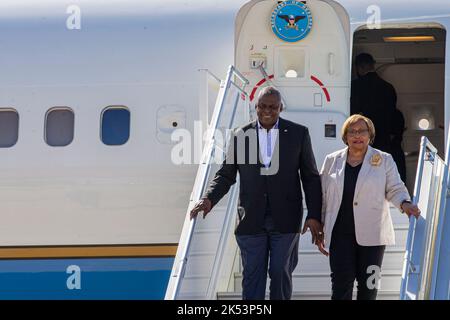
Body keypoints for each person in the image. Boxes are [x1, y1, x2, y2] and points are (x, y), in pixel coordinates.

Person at [190, 86, 323, 300]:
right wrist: (208, 199)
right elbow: (226, 174)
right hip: (250, 219)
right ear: (256, 107)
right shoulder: (240, 135)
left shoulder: (298, 133)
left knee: (280, 272)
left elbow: (310, 177)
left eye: (273, 107)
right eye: (263, 106)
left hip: (286, 219)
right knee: (253, 277)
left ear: (281, 108)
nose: (267, 111)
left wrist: (314, 215)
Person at [317, 114, 420, 300]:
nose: (357, 135)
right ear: (345, 136)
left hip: (374, 238)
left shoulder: (384, 159)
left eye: (362, 131)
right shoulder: (332, 160)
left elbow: (395, 188)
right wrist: (319, 226)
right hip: (340, 236)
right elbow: (322, 196)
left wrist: (405, 204)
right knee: (340, 288)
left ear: (370, 135)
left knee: (370, 289)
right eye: (352, 131)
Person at [351, 53, 397, 153]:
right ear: (373, 65)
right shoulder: (388, 87)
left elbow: (353, 114)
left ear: (360, 67)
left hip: (363, 138)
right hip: (384, 138)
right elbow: (393, 114)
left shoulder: (355, 87)